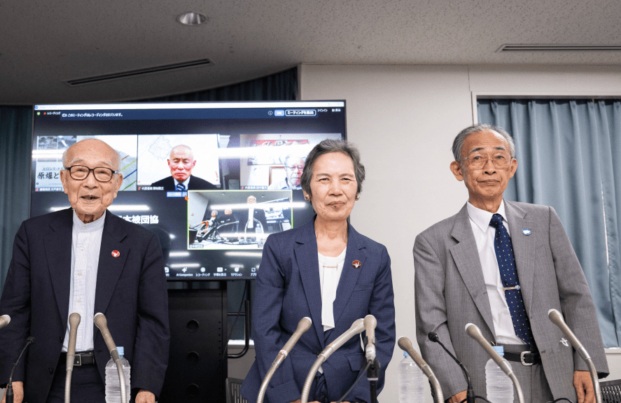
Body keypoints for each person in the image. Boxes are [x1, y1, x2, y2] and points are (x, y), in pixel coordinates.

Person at [414, 124, 608, 403]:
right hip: (483, 379)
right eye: (478, 158)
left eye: (499, 158)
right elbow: (431, 324)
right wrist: (454, 385)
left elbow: (576, 296)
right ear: (458, 170)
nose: (490, 168)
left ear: (512, 167)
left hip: (556, 372)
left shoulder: (544, 220)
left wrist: (586, 364)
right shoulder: (433, 241)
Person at [0, 138, 170, 403]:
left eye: (102, 172)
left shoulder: (141, 242)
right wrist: (12, 375)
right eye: (80, 171)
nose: (90, 183)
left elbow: (152, 321)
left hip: (112, 381)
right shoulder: (34, 234)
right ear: (64, 180)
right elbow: (15, 310)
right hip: (44, 380)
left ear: (116, 184)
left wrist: (146, 386)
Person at [241, 139, 395, 403]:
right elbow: (265, 330)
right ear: (307, 191)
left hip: (349, 387)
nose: (336, 190)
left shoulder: (375, 255)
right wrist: (290, 397)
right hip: (285, 383)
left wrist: (356, 399)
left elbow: (382, 336)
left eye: (346, 179)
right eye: (324, 180)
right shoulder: (280, 248)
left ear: (357, 190)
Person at [151, 144, 217, 190]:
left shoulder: (208, 188)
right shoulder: (156, 187)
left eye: (185, 162)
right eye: (176, 161)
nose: (180, 167)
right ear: (169, 163)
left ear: (193, 164)